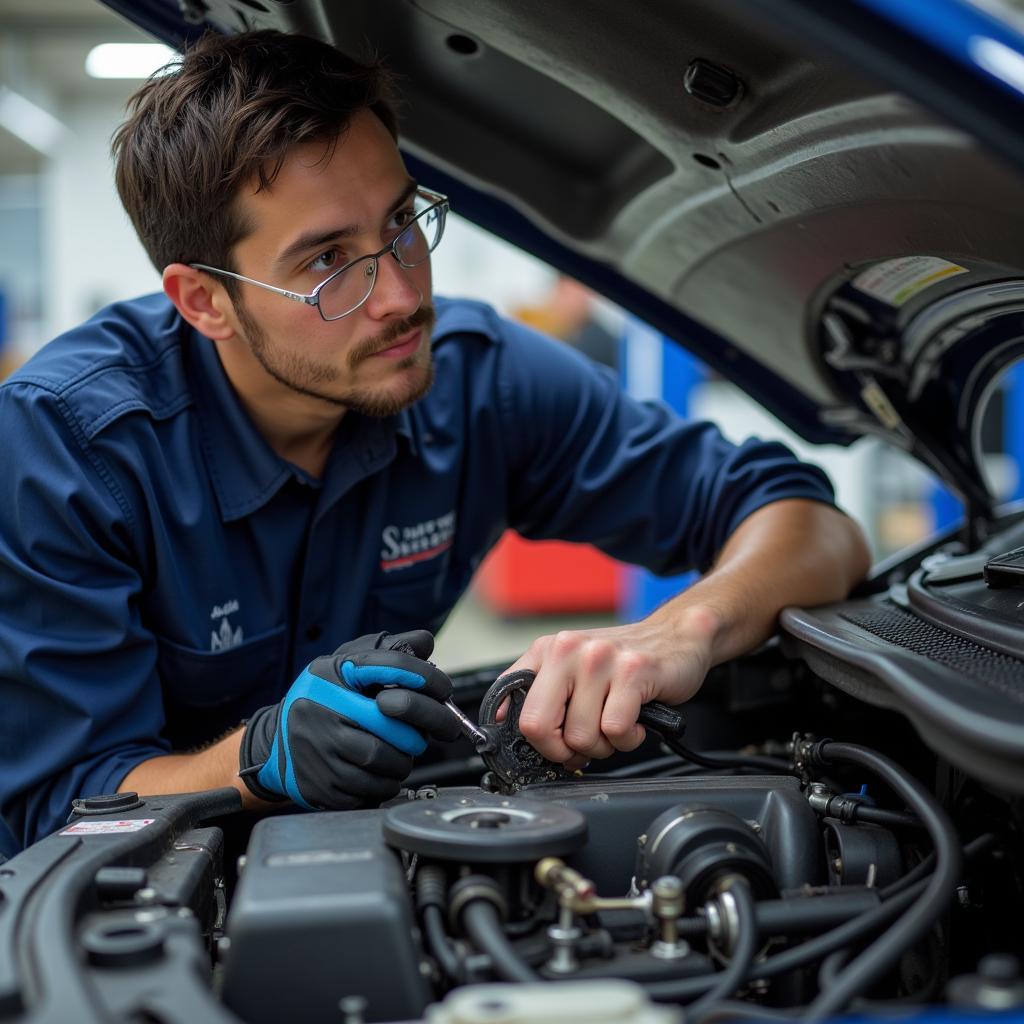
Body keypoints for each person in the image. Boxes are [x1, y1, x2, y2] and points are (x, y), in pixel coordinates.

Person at [0, 30, 870, 855]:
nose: (401, 294)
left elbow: (812, 524)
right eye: (328, 264)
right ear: (202, 302)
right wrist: (261, 759)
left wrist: (682, 630)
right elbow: (63, 807)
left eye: (402, 222)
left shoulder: (478, 377)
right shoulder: (66, 450)